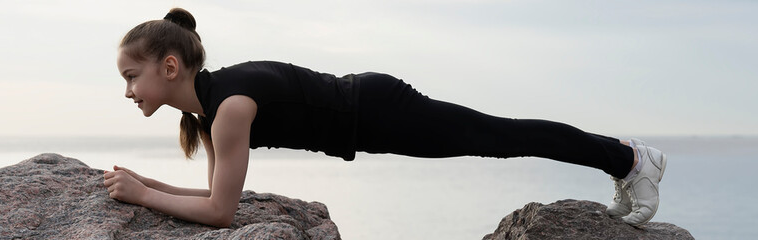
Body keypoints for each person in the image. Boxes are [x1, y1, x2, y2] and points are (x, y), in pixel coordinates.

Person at [104, 8, 668, 228]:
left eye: (132, 76)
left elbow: (222, 213)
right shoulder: (212, 112)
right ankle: (623, 159)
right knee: (498, 136)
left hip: (378, 110)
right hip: (370, 117)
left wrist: (145, 197)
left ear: (170, 66)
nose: (128, 90)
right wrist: (144, 184)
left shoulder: (228, 110)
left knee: (499, 136)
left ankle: (629, 157)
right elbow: (211, 200)